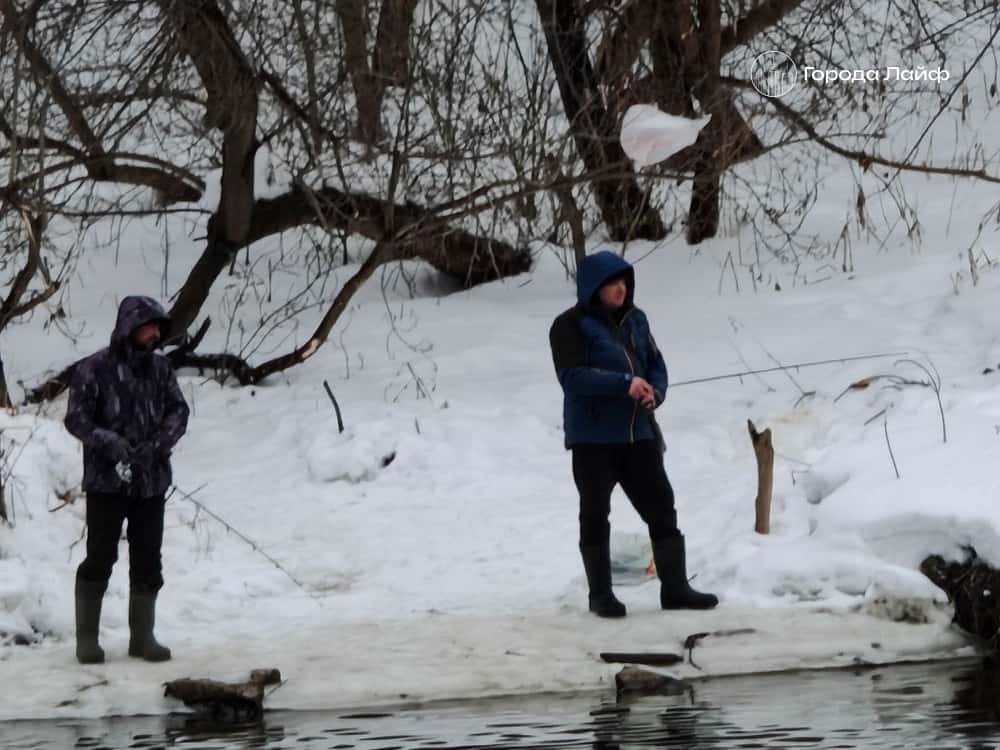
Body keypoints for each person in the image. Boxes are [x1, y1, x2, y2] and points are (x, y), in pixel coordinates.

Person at [549, 250, 717, 617]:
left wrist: (655, 392)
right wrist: (623, 384)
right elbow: (572, 377)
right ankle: (600, 595)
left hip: (638, 434)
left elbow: (656, 365)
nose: (621, 288)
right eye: (613, 282)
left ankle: (675, 588)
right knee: (595, 513)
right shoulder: (568, 325)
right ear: (594, 287)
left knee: (662, 505)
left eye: (624, 281)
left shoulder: (637, 320)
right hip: (593, 439)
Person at [65, 296, 189, 663]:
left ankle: (142, 637)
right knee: (100, 556)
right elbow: (76, 419)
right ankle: (87, 639)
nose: (155, 333)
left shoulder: (161, 369)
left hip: (151, 482)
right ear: (130, 327)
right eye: (150, 326)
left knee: (148, 558)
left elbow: (178, 411)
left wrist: (158, 446)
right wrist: (111, 443)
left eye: (159, 328)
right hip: (106, 482)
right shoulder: (94, 368)